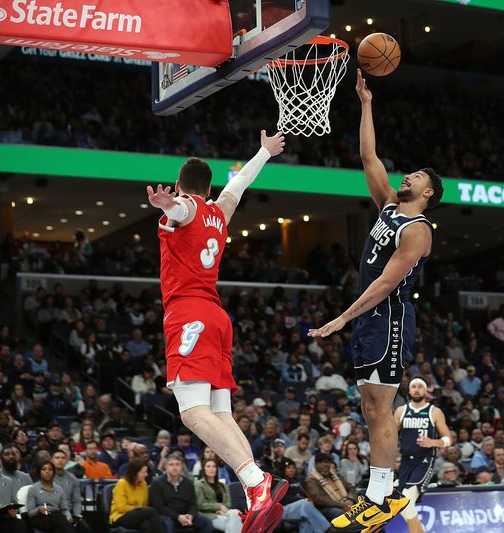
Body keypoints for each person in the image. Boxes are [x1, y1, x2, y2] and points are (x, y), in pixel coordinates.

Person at [307, 69, 443, 531]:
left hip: (387, 317)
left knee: (380, 408)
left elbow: (385, 283)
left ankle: (381, 496)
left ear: (427, 195)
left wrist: (341, 318)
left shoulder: (418, 230)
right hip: (371, 320)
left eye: (418, 176)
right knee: (369, 405)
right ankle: (379, 494)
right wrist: (365, 102)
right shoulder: (388, 204)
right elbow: (369, 156)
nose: (409, 175)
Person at [148, 131, 287, 532]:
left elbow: (181, 211)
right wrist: (264, 151)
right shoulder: (218, 210)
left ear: (181, 185)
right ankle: (257, 491)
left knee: (192, 414)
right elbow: (238, 184)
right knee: (220, 414)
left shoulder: (188, 206)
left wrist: (168, 205)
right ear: (209, 187)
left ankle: (255, 482)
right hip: (216, 316)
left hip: (189, 312)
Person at [394, 377, 452, 533]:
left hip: (424, 460)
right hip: (405, 461)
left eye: (420, 386)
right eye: (414, 386)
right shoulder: (401, 411)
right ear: (409, 390)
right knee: (404, 505)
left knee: (405, 500)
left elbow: (448, 439)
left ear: (425, 391)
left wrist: (433, 442)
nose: (417, 389)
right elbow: (391, 436)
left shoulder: (434, 412)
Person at [149, 454, 213, 533]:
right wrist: (177, 517)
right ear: (165, 467)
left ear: (181, 466)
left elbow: (193, 504)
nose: (174, 467)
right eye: (171, 464)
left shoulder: (188, 483)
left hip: (185, 515)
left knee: (206, 522)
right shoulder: (157, 483)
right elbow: (159, 507)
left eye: (177, 464)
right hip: (167, 515)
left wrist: (190, 515)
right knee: (167, 524)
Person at [110, 459, 164, 533]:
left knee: (146, 525)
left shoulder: (143, 484)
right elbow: (120, 507)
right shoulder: (122, 483)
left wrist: (140, 509)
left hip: (137, 516)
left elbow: (144, 504)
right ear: (135, 472)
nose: (146, 475)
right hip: (120, 517)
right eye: (143, 472)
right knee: (151, 511)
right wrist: (136, 508)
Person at [303, 453, 357, 522]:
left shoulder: (336, 475)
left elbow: (351, 487)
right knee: (339, 513)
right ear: (316, 464)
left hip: (346, 502)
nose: (327, 466)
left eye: (329, 463)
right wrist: (342, 505)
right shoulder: (311, 480)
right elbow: (319, 499)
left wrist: (351, 500)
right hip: (326, 508)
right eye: (324, 463)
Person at [51, 449, 93, 533]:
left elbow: (77, 501)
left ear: (66, 461)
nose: (60, 460)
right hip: (55, 513)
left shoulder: (72, 478)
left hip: (71, 513)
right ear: (51, 460)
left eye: (63, 458)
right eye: (57, 458)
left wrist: (77, 515)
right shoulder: (47, 477)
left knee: (86, 529)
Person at [25, 460, 74, 533]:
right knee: (58, 518)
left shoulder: (59, 489)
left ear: (54, 472)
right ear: (39, 472)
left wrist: (69, 517)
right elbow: (30, 513)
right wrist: (39, 510)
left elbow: (64, 509)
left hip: (56, 518)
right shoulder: (33, 489)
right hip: (39, 518)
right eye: (44, 469)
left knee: (59, 528)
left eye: (50, 469)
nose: (47, 471)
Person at [194, 459, 242, 533]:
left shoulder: (223, 486)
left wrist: (223, 511)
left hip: (224, 513)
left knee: (235, 517)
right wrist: (218, 507)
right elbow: (201, 504)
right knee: (233, 523)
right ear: (204, 469)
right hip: (209, 516)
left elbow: (228, 503)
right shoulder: (198, 484)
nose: (211, 469)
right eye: (208, 466)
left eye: (214, 466)